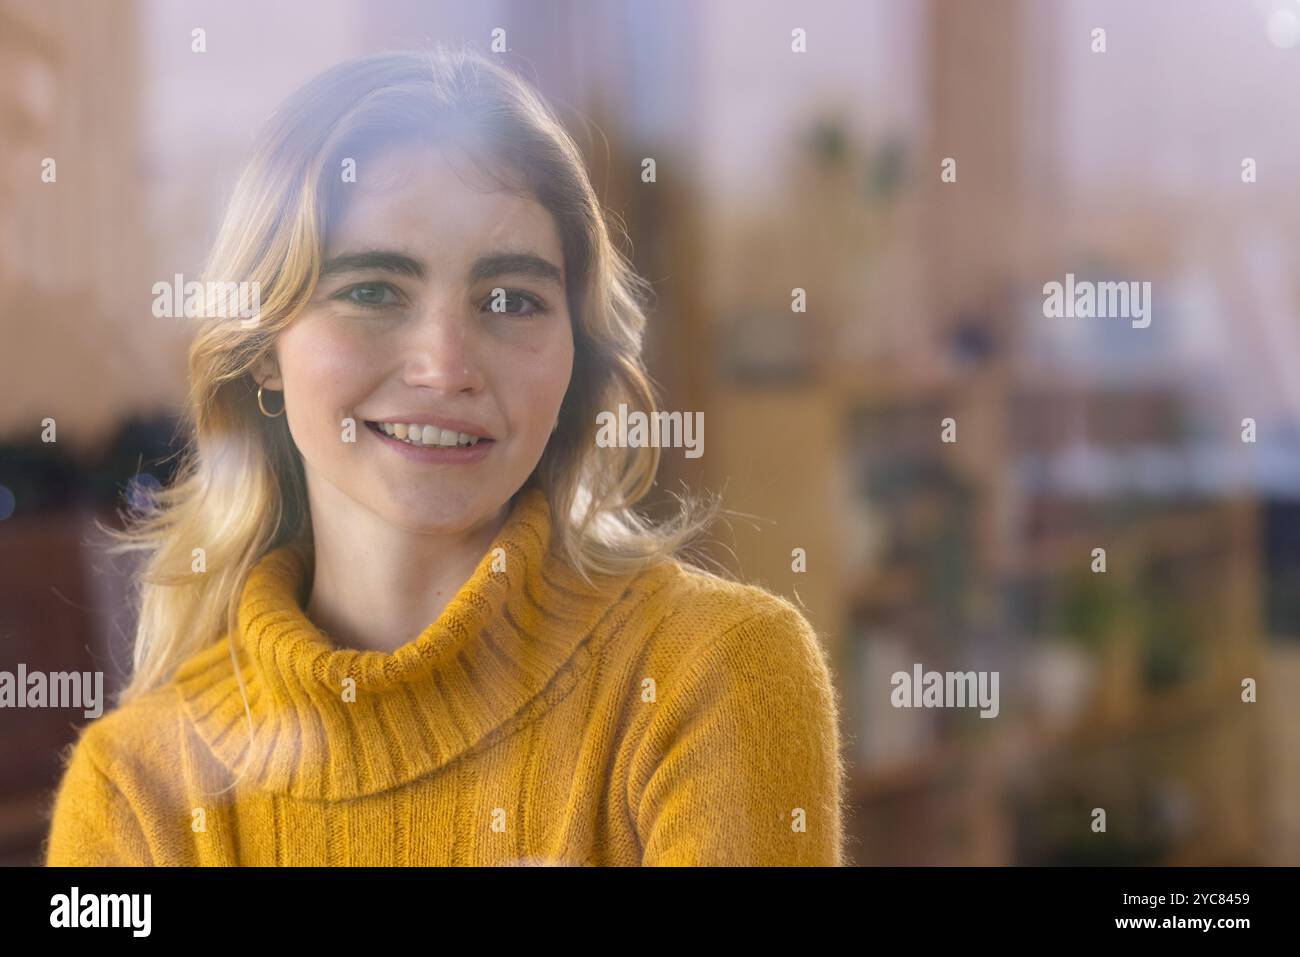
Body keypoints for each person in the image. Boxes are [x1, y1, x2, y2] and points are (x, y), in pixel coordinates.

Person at [43, 45, 847, 866]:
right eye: (371, 291)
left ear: (575, 359)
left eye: (511, 299)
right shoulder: (131, 789)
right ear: (262, 352)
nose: (447, 366)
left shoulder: (716, 672)